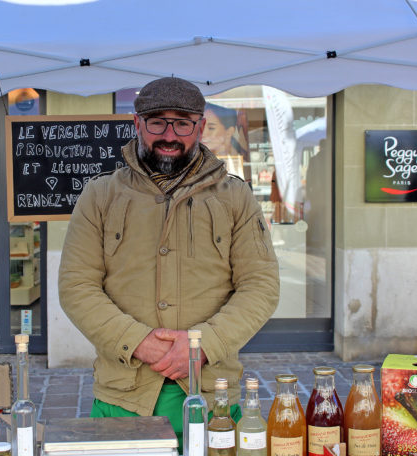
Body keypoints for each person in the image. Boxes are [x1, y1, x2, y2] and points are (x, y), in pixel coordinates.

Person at [58, 77, 279, 449]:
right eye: (157, 121)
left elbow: (261, 286)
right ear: (137, 124)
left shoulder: (236, 197)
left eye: (183, 122)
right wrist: (137, 341)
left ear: (201, 125)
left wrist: (204, 344)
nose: (170, 134)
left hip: (213, 397)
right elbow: (76, 286)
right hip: (122, 396)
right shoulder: (99, 196)